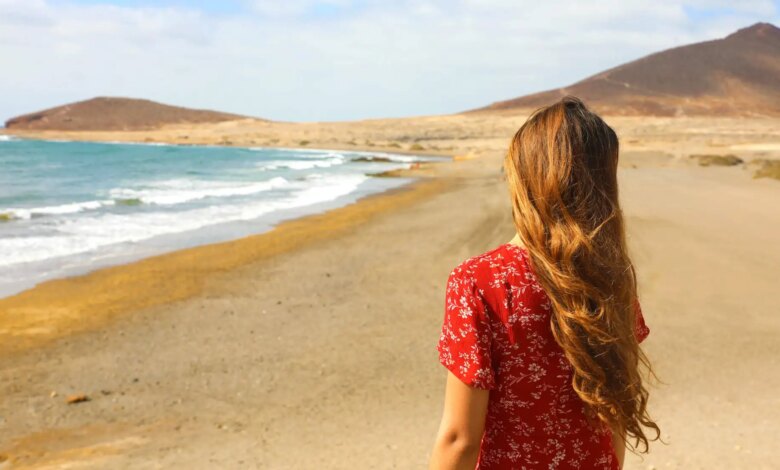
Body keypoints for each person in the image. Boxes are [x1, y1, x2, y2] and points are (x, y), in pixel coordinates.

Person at [428, 97, 660, 469]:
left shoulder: (480, 283)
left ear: (523, 176)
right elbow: (614, 413)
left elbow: (460, 440)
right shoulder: (611, 278)